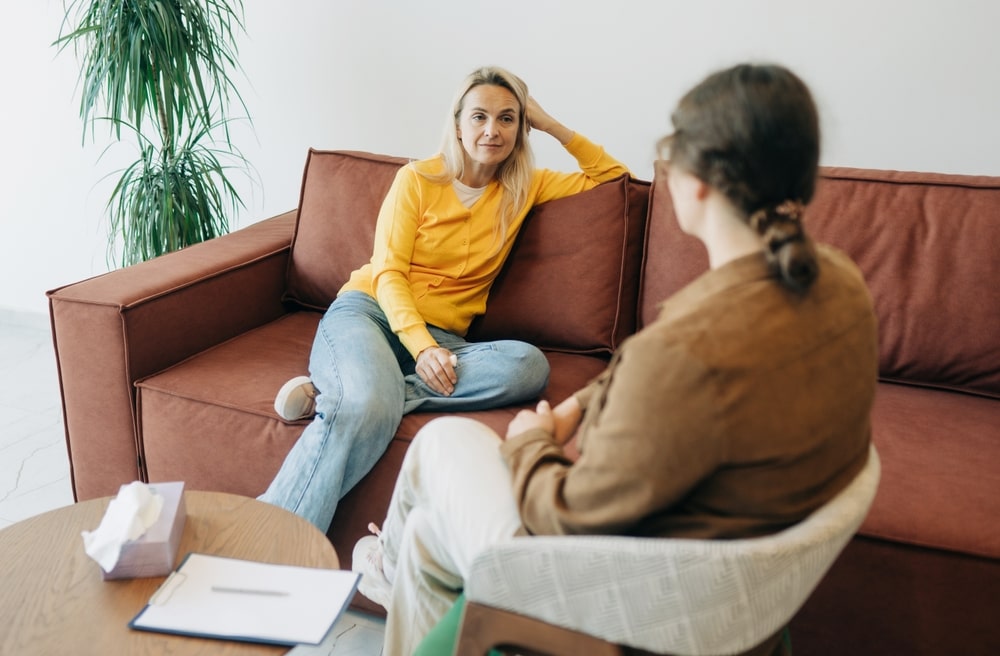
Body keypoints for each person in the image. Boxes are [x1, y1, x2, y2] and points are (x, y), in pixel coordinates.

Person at [355, 63, 879, 655]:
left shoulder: (681, 352)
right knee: (426, 536)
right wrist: (586, 400)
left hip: (624, 600)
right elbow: (673, 376)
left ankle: (383, 565)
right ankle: (394, 567)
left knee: (440, 445)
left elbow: (566, 515)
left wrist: (532, 440)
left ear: (697, 181)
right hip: (730, 593)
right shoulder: (840, 283)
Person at [259, 66, 630, 532]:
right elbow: (389, 271)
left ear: (521, 128)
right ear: (457, 124)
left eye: (508, 119)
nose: (492, 130)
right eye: (479, 117)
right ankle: (271, 535)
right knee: (369, 401)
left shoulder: (526, 186)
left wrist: (551, 124)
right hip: (371, 313)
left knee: (527, 367)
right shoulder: (417, 179)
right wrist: (422, 347)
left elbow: (614, 177)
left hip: (444, 338)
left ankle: (347, 395)